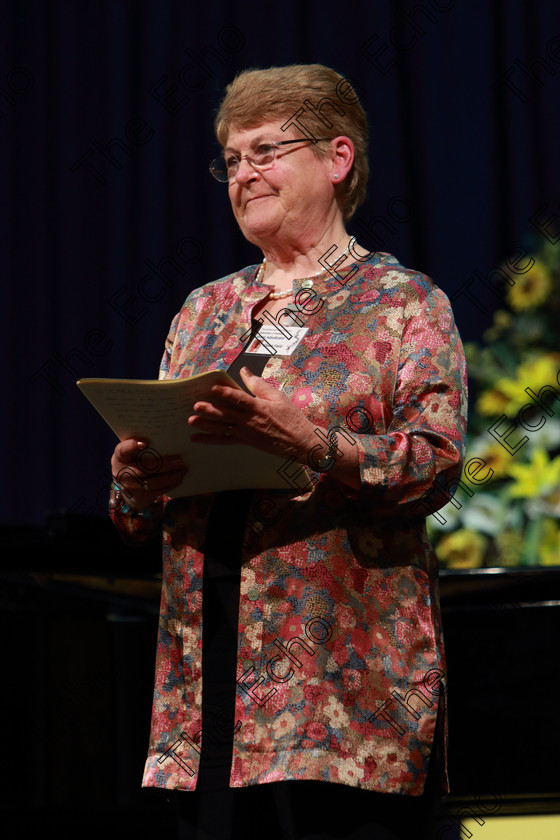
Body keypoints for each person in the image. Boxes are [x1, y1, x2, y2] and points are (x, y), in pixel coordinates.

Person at [109, 64, 467, 840]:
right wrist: (136, 478)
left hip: (342, 705)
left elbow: (435, 464)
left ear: (338, 159)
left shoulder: (400, 303)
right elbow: (137, 521)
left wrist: (312, 443)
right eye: (231, 160)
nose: (244, 174)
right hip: (204, 700)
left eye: (266, 151)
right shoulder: (205, 310)